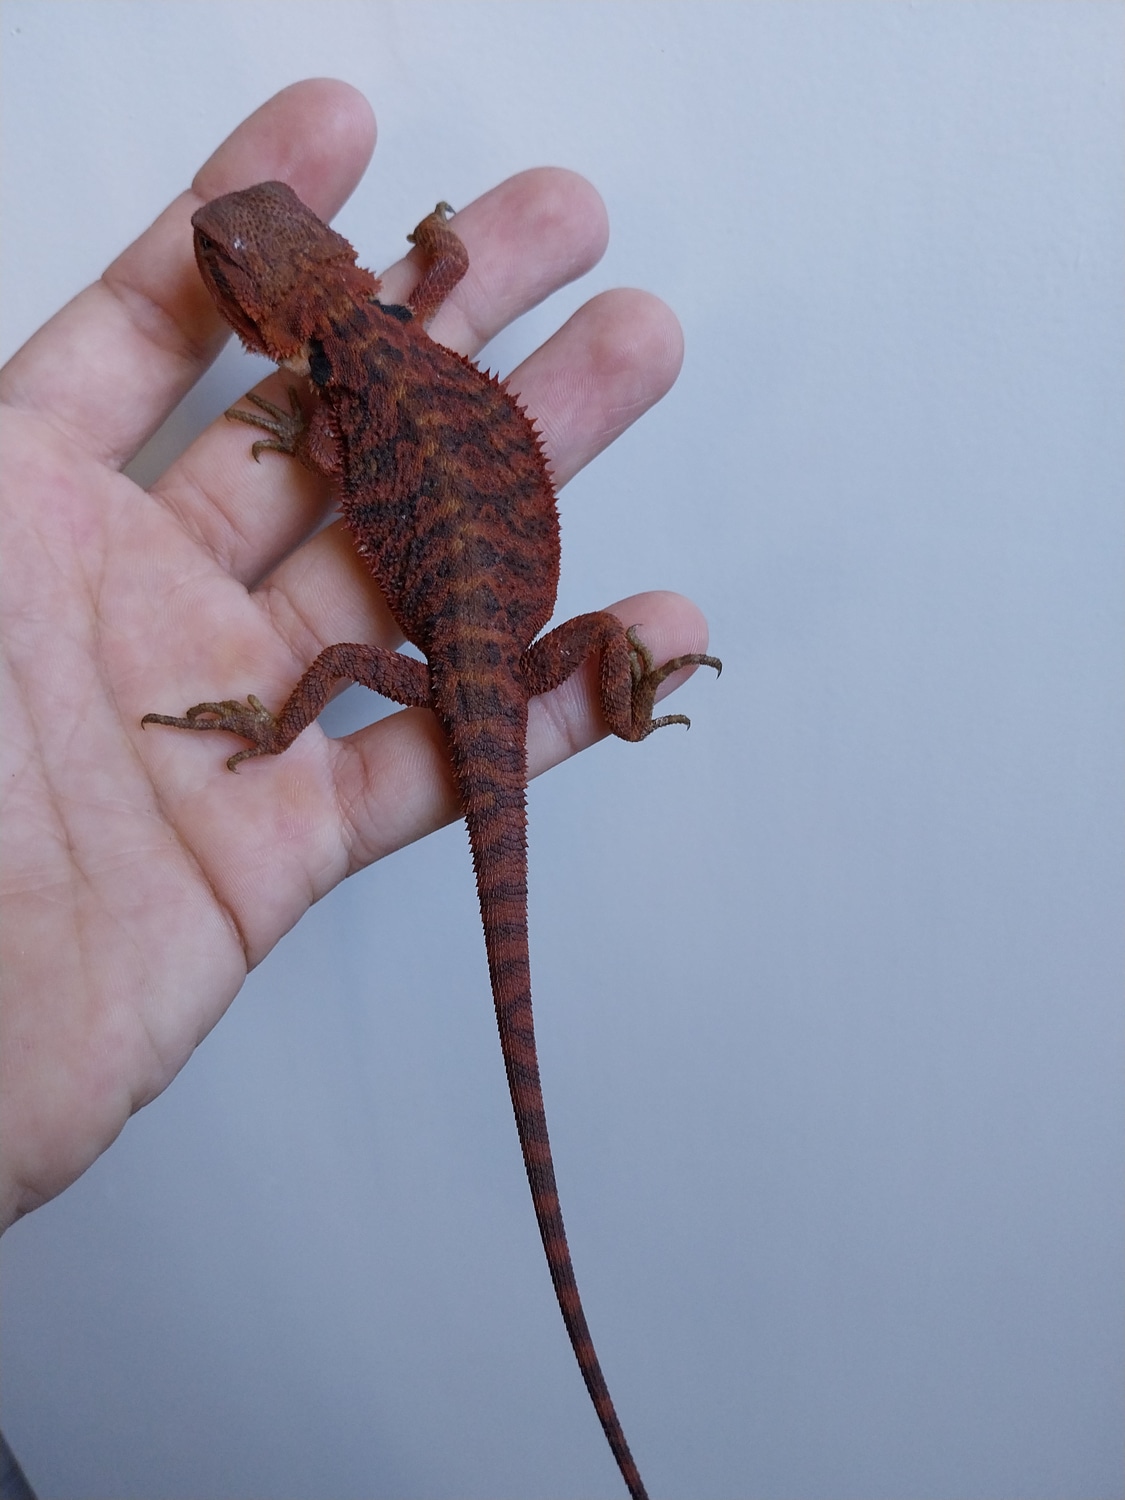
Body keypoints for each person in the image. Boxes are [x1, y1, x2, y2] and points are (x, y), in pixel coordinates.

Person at [0, 78, 712, 1238]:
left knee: (338, 659)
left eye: (233, 256)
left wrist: (279, 722)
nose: (220, 251)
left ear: (268, 318)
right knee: (427, 654)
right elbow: (436, 282)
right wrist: (435, 243)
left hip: (485, 660)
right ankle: (626, 708)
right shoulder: (394, 320)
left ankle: (287, 729)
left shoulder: (340, 390)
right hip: (525, 651)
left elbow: (340, 435)